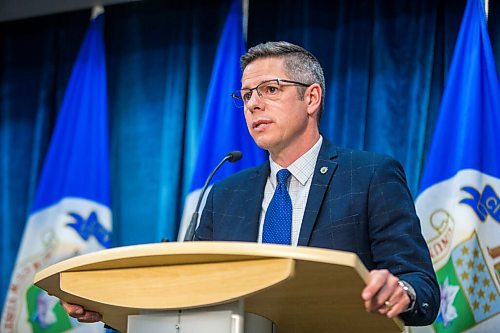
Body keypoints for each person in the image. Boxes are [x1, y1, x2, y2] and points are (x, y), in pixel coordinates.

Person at [63, 41, 439, 326]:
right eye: (245, 95)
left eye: (270, 90)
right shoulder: (225, 194)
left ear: (311, 98)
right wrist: (109, 306)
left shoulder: (371, 175)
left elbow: (422, 286)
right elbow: (188, 291)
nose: (253, 104)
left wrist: (400, 292)